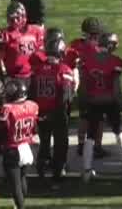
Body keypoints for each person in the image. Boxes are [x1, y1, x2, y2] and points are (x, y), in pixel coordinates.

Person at [80, 33, 122, 181]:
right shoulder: (116, 61)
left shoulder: (87, 60)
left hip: (93, 100)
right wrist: (120, 101)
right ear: (110, 45)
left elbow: (84, 84)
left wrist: (84, 100)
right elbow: (116, 86)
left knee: (90, 135)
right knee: (118, 130)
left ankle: (87, 169)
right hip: (110, 100)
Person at [31, 29, 74, 183]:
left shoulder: (37, 69)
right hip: (57, 112)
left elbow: (32, 92)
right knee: (60, 143)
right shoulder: (63, 70)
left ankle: (41, 169)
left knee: (44, 142)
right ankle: (58, 171)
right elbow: (65, 95)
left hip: (41, 112)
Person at [0, 79, 38, 209]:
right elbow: (35, 128)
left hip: (12, 148)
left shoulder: (7, 110)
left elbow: (1, 130)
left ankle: (20, 206)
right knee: (22, 178)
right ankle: (21, 203)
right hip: (26, 146)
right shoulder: (32, 106)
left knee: (15, 184)